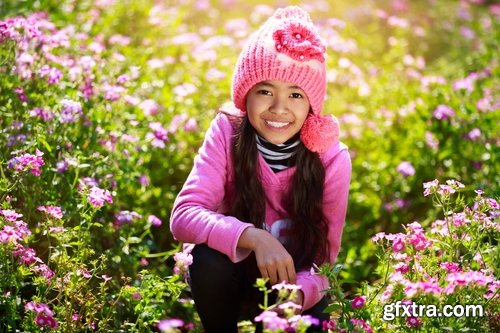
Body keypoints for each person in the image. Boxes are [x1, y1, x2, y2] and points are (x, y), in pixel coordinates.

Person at [170, 5, 351, 333]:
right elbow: (184, 216)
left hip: (292, 289)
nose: (279, 108)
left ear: (311, 105)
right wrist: (253, 238)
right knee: (207, 260)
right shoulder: (228, 132)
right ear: (245, 95)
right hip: (231, 278)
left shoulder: (331, 158)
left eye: (296, 94)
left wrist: (300, 294)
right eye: (265, 91)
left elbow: (323, 261)